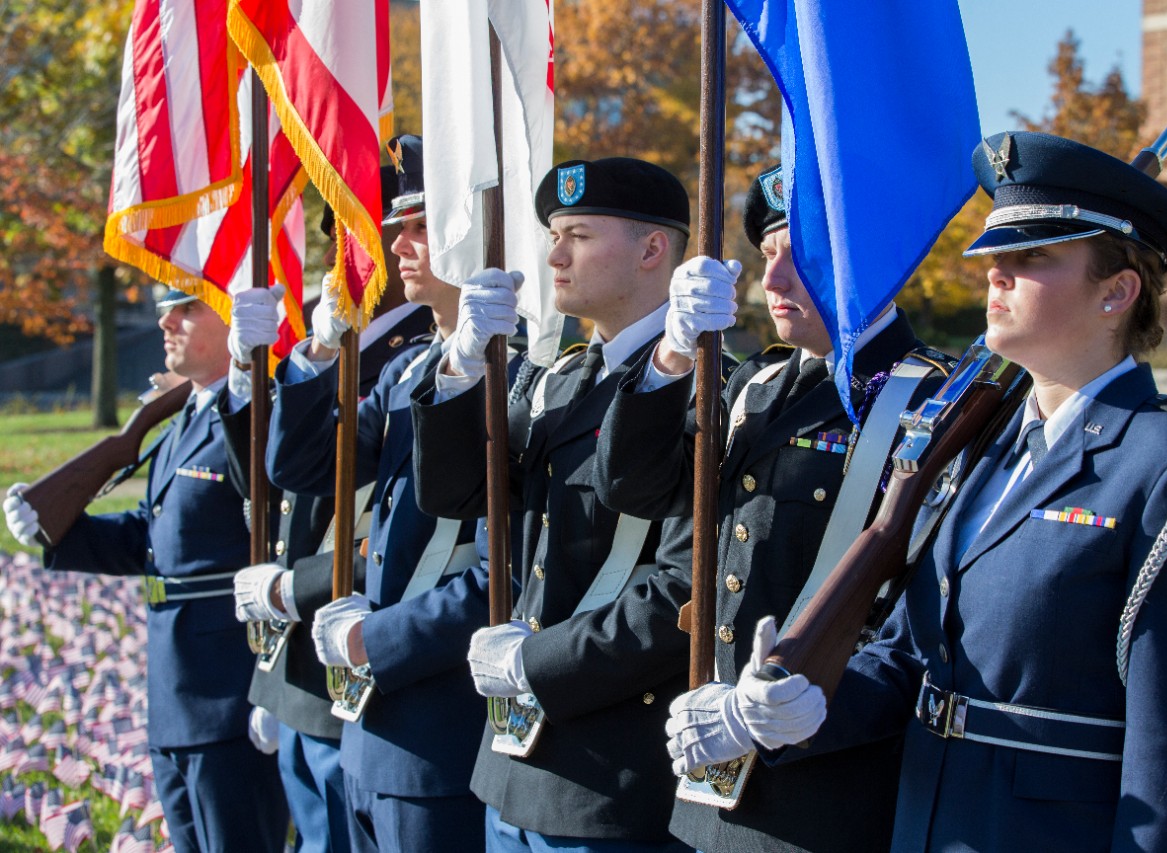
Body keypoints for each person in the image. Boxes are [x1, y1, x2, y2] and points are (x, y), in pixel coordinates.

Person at [737, 131, 1167, 852]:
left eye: (1032, 258)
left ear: (1117, 290)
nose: (996, 276)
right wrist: (805, 707)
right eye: (994, 258)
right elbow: (909, 656)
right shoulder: (978, 446)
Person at [597, 164, 951, 853]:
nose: (774, 282)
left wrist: (792, 709)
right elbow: (635, 487)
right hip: (711, 789)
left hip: (826, 800)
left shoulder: (934, 404)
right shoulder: (759, 387)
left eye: (804, 256)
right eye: (767, 255)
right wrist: (671, 355)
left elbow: (921, 629)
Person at [412, 157, 728, 852]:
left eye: (579, 234)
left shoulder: (712, 389)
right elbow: (463, 497)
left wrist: (537, 663)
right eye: (554, 233)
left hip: (611, 773)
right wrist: (463, 367)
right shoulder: (563, 381)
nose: (554, 253)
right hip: (515, 762)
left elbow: (683, 590)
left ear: (653, 250)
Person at [264, 134, 494, 852]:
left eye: (423, 226)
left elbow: (498, 568)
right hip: (372, 725)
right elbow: (299, 463)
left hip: (445, 722)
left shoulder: (520, 372)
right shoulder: (404, 373)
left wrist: (374, 638)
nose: (399, 245)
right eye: (401, 227)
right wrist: (318, 352)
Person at [4, 290, 289, 853]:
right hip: (175, 692)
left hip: (232, 697)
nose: (166, 320)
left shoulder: (261, 414)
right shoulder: (184, 419)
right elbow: (152, 539)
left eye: (187, 306)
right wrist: (59, 529)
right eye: (166, 308)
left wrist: (274, 685)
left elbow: (281, 533)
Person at [219, 167, 432, 853]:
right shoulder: (332, 347)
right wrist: (248, 376)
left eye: (371, 238)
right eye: (344, 238)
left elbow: (394, 526)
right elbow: (270, 481)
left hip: (356, 640)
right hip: (299, 660)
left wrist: (293, 587)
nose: (353, 260)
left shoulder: (426, 351)